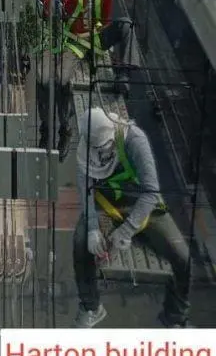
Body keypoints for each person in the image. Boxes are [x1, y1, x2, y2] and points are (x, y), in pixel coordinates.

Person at [74, 107, 191, 328]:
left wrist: (126, 230)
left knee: (182, 258)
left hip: (141, 204)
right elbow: (85, 191)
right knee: (81, 242)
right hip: (108, 203)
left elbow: (151, 192)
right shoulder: (85, 151)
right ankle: (91, 307)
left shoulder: (134, 140)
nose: (101, 156)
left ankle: (175, 317)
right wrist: (92, 229)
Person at [34, 0, 136, 161]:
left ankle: (123, 74)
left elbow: (104, 18)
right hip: (74, 41)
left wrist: (95, 33)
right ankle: (53, 127)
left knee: (126, 24)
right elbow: (57, 2)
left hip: (93, 39)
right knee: (56, 79)